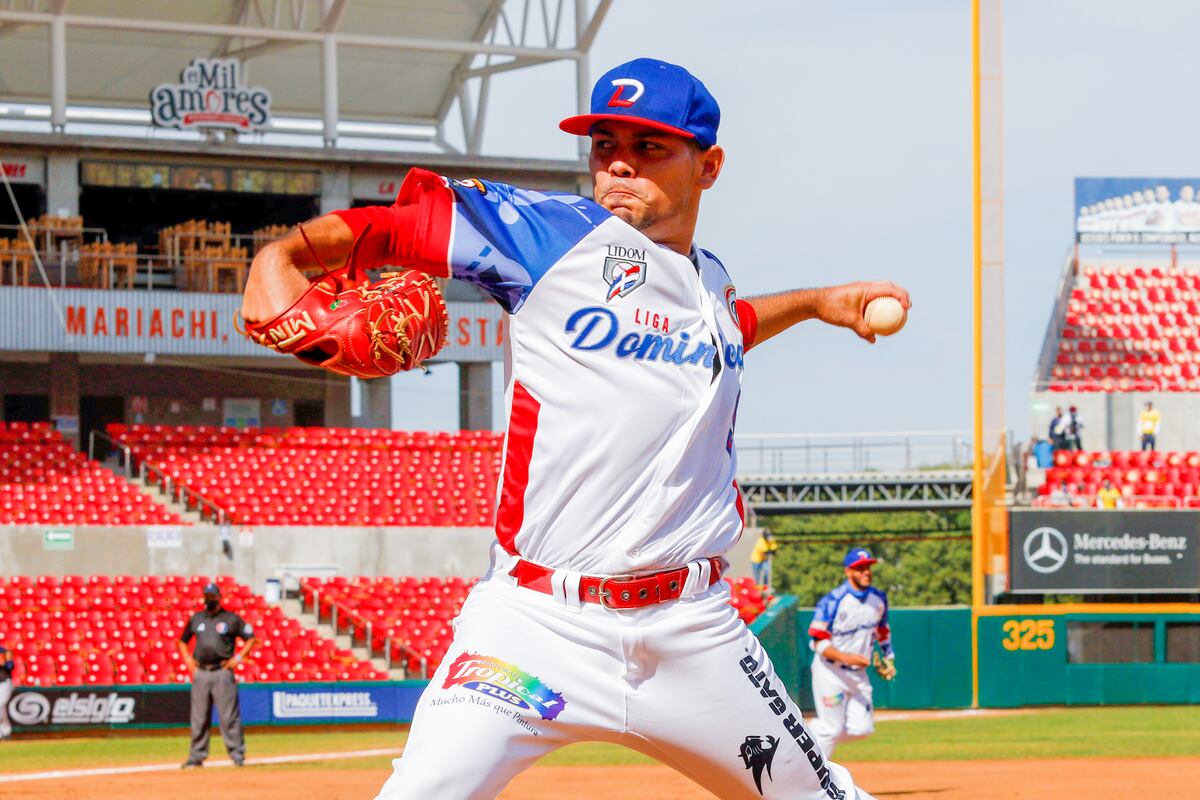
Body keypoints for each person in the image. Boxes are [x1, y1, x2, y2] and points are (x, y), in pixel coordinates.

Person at [242, 57, 907, 800]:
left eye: (649, 147)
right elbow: (405, 226)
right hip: (533, 627)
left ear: (708, 167)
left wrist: (818, 302)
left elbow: (727, 328)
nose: (619, 163)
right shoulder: (555, 238)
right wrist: (287, 253)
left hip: (692, 633)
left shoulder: (708, 282)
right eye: (604, 144)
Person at [805, 548, 893, 759]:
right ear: (848, 572)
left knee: (863, 729)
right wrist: (847, 657)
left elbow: (882, 630)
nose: (866, 572)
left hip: (858, 674)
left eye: (868, 567)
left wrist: (889, 657)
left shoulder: (878, 599)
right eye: (859, 568)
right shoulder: (833, 600)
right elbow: (817, 640)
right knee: (831, 729)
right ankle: (819, 783)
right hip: (830, 671)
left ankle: (806, 734)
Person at [178, 582, 257, 768]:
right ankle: (196, 756)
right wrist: (188, 661)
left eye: (212, 596)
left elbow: (251, 638)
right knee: (199, 717)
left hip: (222, 672)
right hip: (201, 673)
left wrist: (237, 658)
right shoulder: (197, 619)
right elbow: (182, 641)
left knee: (229, 716)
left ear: (219, 597)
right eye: (206, 596)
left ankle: (237, 755)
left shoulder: (230, 619)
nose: (209, 599)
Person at [0, 642, 13, 741]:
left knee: (0, 705)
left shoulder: (3, 651)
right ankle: (5, 732)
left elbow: (10, 666)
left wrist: (4, 662)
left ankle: (5, 731)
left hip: (4, 682)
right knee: (1, 708)